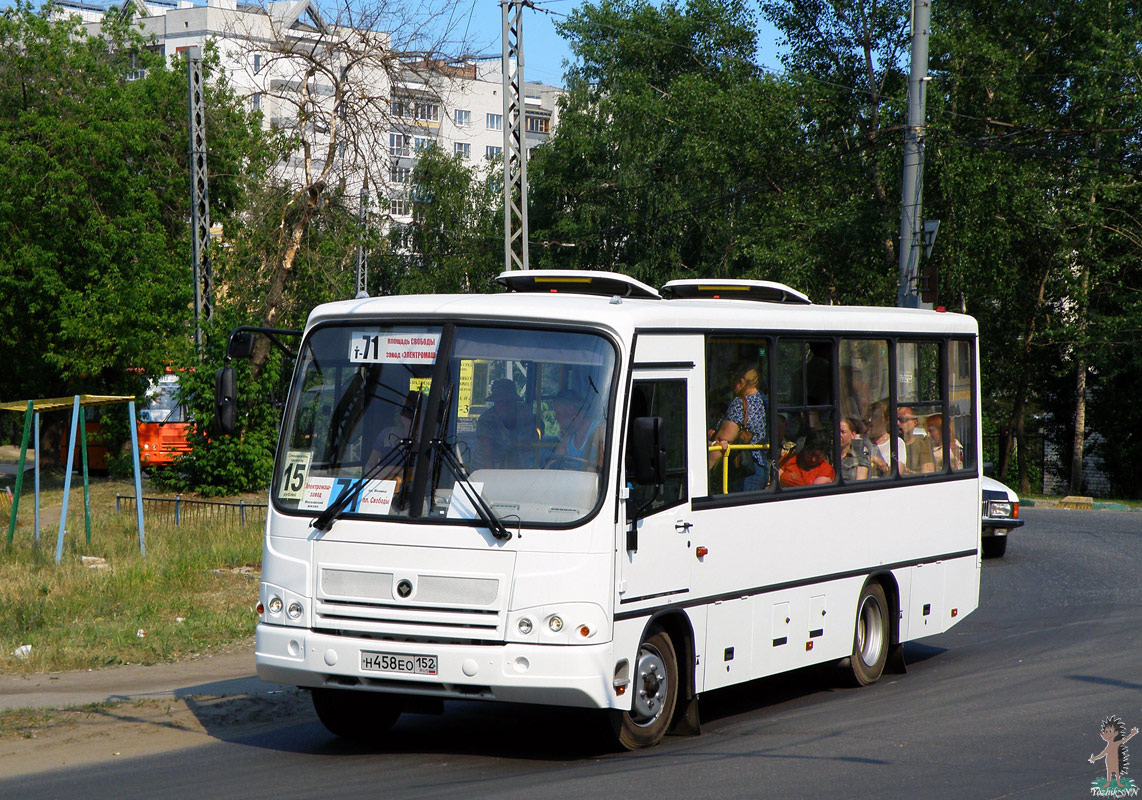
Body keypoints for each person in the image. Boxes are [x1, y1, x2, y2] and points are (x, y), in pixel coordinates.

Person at [708, 361, 769, 491]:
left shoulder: (740, 402)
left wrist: (712, 441)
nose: (730, 387)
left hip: (743, 468)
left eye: (731, 382)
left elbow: (725, 437)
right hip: (761, 466)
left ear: (741, 382)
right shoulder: (763, 400)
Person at [474, 378, 539, 469]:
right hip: (489, 467)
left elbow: (537, 431)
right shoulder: (486, 421)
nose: (504, 406)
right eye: (500, 402)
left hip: (518, 464)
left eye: (508, 401)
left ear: (514, 401)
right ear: (495, 402)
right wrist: (491, 480)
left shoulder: (524, 413)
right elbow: (487, 455)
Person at [546, 388, 603, 470]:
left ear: (571, 410)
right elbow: (550, 468)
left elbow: (596, 472)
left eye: (558, 413)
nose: (555, 418)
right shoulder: (568, 440)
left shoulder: (599, 431)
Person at [865, 401, 904, 478]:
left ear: (886, 420)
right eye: (869, 416)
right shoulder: (862, 442)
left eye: (875, 417)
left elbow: (898, 471)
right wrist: (873, 459)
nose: (870, 420)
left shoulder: (896, 443)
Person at [898, 405, 935, 474]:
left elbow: (928, 472)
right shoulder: (891, 444)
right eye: (895, 420)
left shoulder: (922, 443)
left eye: (902, 420)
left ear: (915, 422)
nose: (898, 423)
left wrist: (909, 473)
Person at [839, 417, 870, 481]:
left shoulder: (860, 454)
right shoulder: (830, 456)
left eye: (843, 432)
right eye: (837, 432)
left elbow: (860, 481)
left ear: (853, 435)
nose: (839, 435)